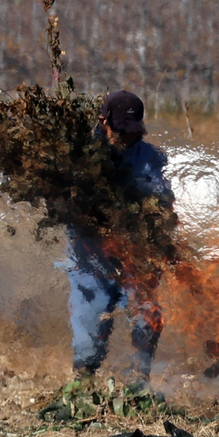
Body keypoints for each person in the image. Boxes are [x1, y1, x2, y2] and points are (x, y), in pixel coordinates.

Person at [64, 90, 174, 383]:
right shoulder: (79, 154)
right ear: (104, 121)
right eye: (121, 130)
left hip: (134, 253)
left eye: (133, 131)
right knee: (90, 324)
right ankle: (83, 384)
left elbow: (161, 198)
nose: (128, 137)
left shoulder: (149, 157)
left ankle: (140, 379)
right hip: (90, 257)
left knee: (147, 315)